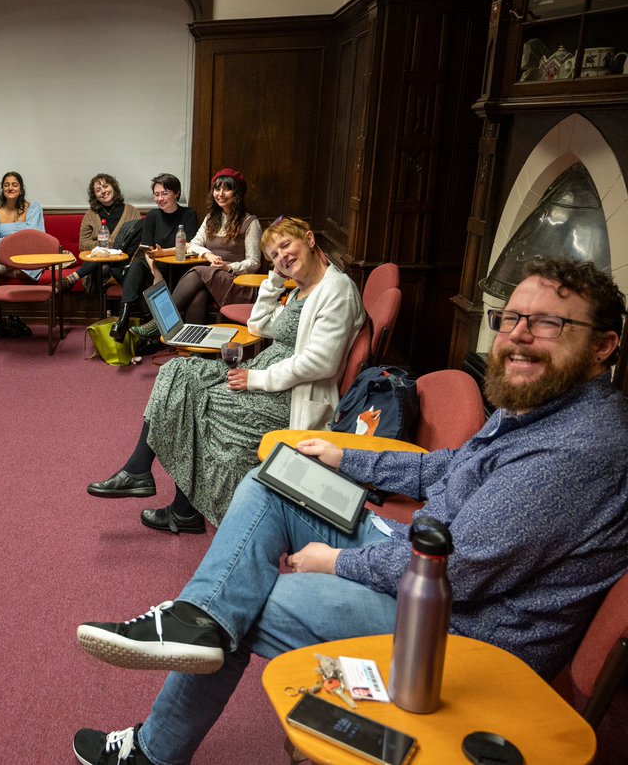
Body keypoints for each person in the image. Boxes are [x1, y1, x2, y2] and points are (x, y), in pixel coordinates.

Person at [70, 258, 628, 765]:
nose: (519, 335)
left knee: (249, 600)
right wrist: (347, 457)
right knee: (276, 478)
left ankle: (155, 746)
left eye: (550, 323)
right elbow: (450, 469)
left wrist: (338, 562)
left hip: (461, 631)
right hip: (428, 560)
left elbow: (458, 572)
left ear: (603, 346)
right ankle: (197, 619)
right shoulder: (540, 404)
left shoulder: (574, 448)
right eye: (511, 319)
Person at [88, 217, 364, 533]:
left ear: (311, 239)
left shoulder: (336, 289)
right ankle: (139, 471)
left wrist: (256, 379)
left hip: (291, 395)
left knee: (199, 400)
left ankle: (183, 510)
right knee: (178, 369)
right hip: (264, 373)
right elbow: (259, 326)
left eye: (286, 246)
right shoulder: (304, 288)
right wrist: (274, 280)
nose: (282, 257)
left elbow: (321, 363)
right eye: (274, 254)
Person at [130, 168, 261, 339]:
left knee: (199, 270)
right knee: (197, 297)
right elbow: (193, 245)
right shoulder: (211, 219)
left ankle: (159, 323)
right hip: (209, 278)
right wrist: (208, 255)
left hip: (235, 281)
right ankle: (191, 351)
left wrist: (228, 266)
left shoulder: (250, 222)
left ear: (237, 193)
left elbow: (254, 262)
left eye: (226, 189)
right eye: (217, 188)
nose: (220, 194)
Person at [109, 173, 199, 341]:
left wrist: (164, 253)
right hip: (154, 264)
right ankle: (123, 320)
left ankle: (152, 330)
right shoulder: (152, 215)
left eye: (164, 193)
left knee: (142, 282)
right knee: (135, 267)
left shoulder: (188, 214)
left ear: (177, 193)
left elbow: (189, 246)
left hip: (177, 265)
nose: (159, 198)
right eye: (156, 194)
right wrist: (156, 271)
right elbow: (146, 248)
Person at [58, 173, 142, 293]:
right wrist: (104, 248)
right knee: (102, 267)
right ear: (95, 196)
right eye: (98, 190)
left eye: (106, 186)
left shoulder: (131, 211)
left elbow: (139, 241)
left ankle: (72, 278)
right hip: (98, 263)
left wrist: (111, 246)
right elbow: (83, 244)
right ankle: (104, 309)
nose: (103, 191)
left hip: (124, 264)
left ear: (113, 187)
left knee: (104, 267)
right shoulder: (90, 215)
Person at [0, 171, 46, 281]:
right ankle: (6, 267)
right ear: (2, 189)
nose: (10, 188)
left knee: (27, 268)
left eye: (14, 184)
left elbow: (37, 239)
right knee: (1, 260)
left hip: (26, 254)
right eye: (6, 185)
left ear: (21, 190)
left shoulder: (33, 209)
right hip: (0, 254)